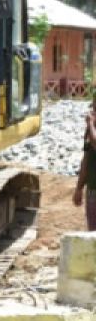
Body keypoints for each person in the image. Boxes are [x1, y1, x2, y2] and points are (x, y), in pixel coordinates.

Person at [72, 97, 96, 231]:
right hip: (93, 192)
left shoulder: (92, 127)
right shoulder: (91, 130)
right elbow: (86, 160)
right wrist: (79, 188)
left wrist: (91, 124)